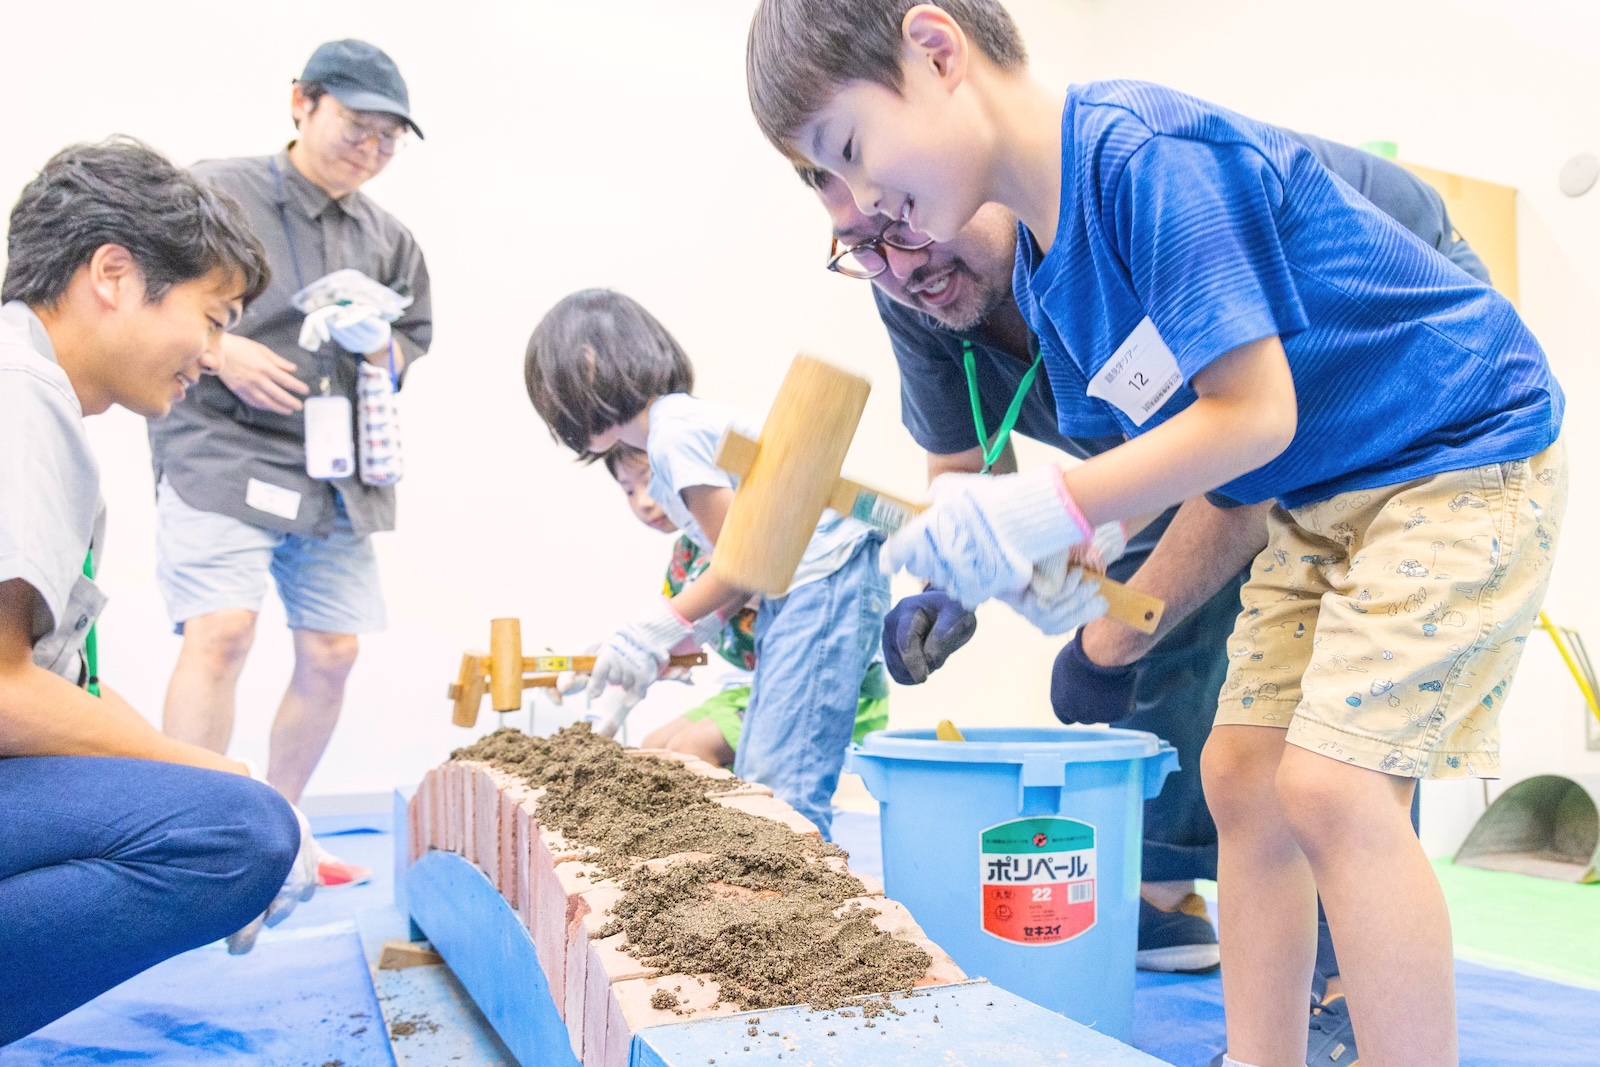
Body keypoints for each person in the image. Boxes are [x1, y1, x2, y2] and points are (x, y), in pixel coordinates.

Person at [747, 4, 1566, 1066]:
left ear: (939, 52)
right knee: (1240, 772)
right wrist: (1075, 562)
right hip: (1316, 489)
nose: (860, 203)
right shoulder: (1049, 269)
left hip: (1452, 448)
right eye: (829, 185)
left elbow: (1253, 414)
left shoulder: (1144, 157)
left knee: (1334, 784)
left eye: (851, 152)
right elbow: (1181, 448)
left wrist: (1060, 508)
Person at [0, 139, 318, 1046]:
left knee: (222, 802)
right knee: (237, 834)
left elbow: (57, 683)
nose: (212, 354)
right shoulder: (21, 398)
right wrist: (227, 779)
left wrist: (193, 767)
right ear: (113, 273)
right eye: (211, 319)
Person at [148, 40, 432, 886]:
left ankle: (277, 837)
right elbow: (149, 298)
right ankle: (187, 843)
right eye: (357, 125)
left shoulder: (389, 239)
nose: (371, 148)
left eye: (389, 137)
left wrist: (378, 345)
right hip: (223, 442)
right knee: (222, 631)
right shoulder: (216, 192)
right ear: (302, 101)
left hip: (336, 464)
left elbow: (408, 345)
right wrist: (220, 348)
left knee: (335, 650)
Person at [524, 290, 890, 839]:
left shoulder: (672, 437)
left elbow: (745, 562)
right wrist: (669, 641)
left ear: (589, 369)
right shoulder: (674, 430)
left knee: (782, 785)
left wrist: (651, 631)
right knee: (766, 773)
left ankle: (802, 891)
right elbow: (744, 569)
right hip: (806, 581)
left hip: (823, 579)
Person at [601, 445, 890, 766]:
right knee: (652, 750)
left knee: (690, 748)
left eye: (650, 480)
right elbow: (660, 637)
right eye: (629, 490)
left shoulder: (744, 537)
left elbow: (739, 584)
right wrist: (604, 663)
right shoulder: (685, 556)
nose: (644, 501)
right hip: (751, 687)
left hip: (830, 685)